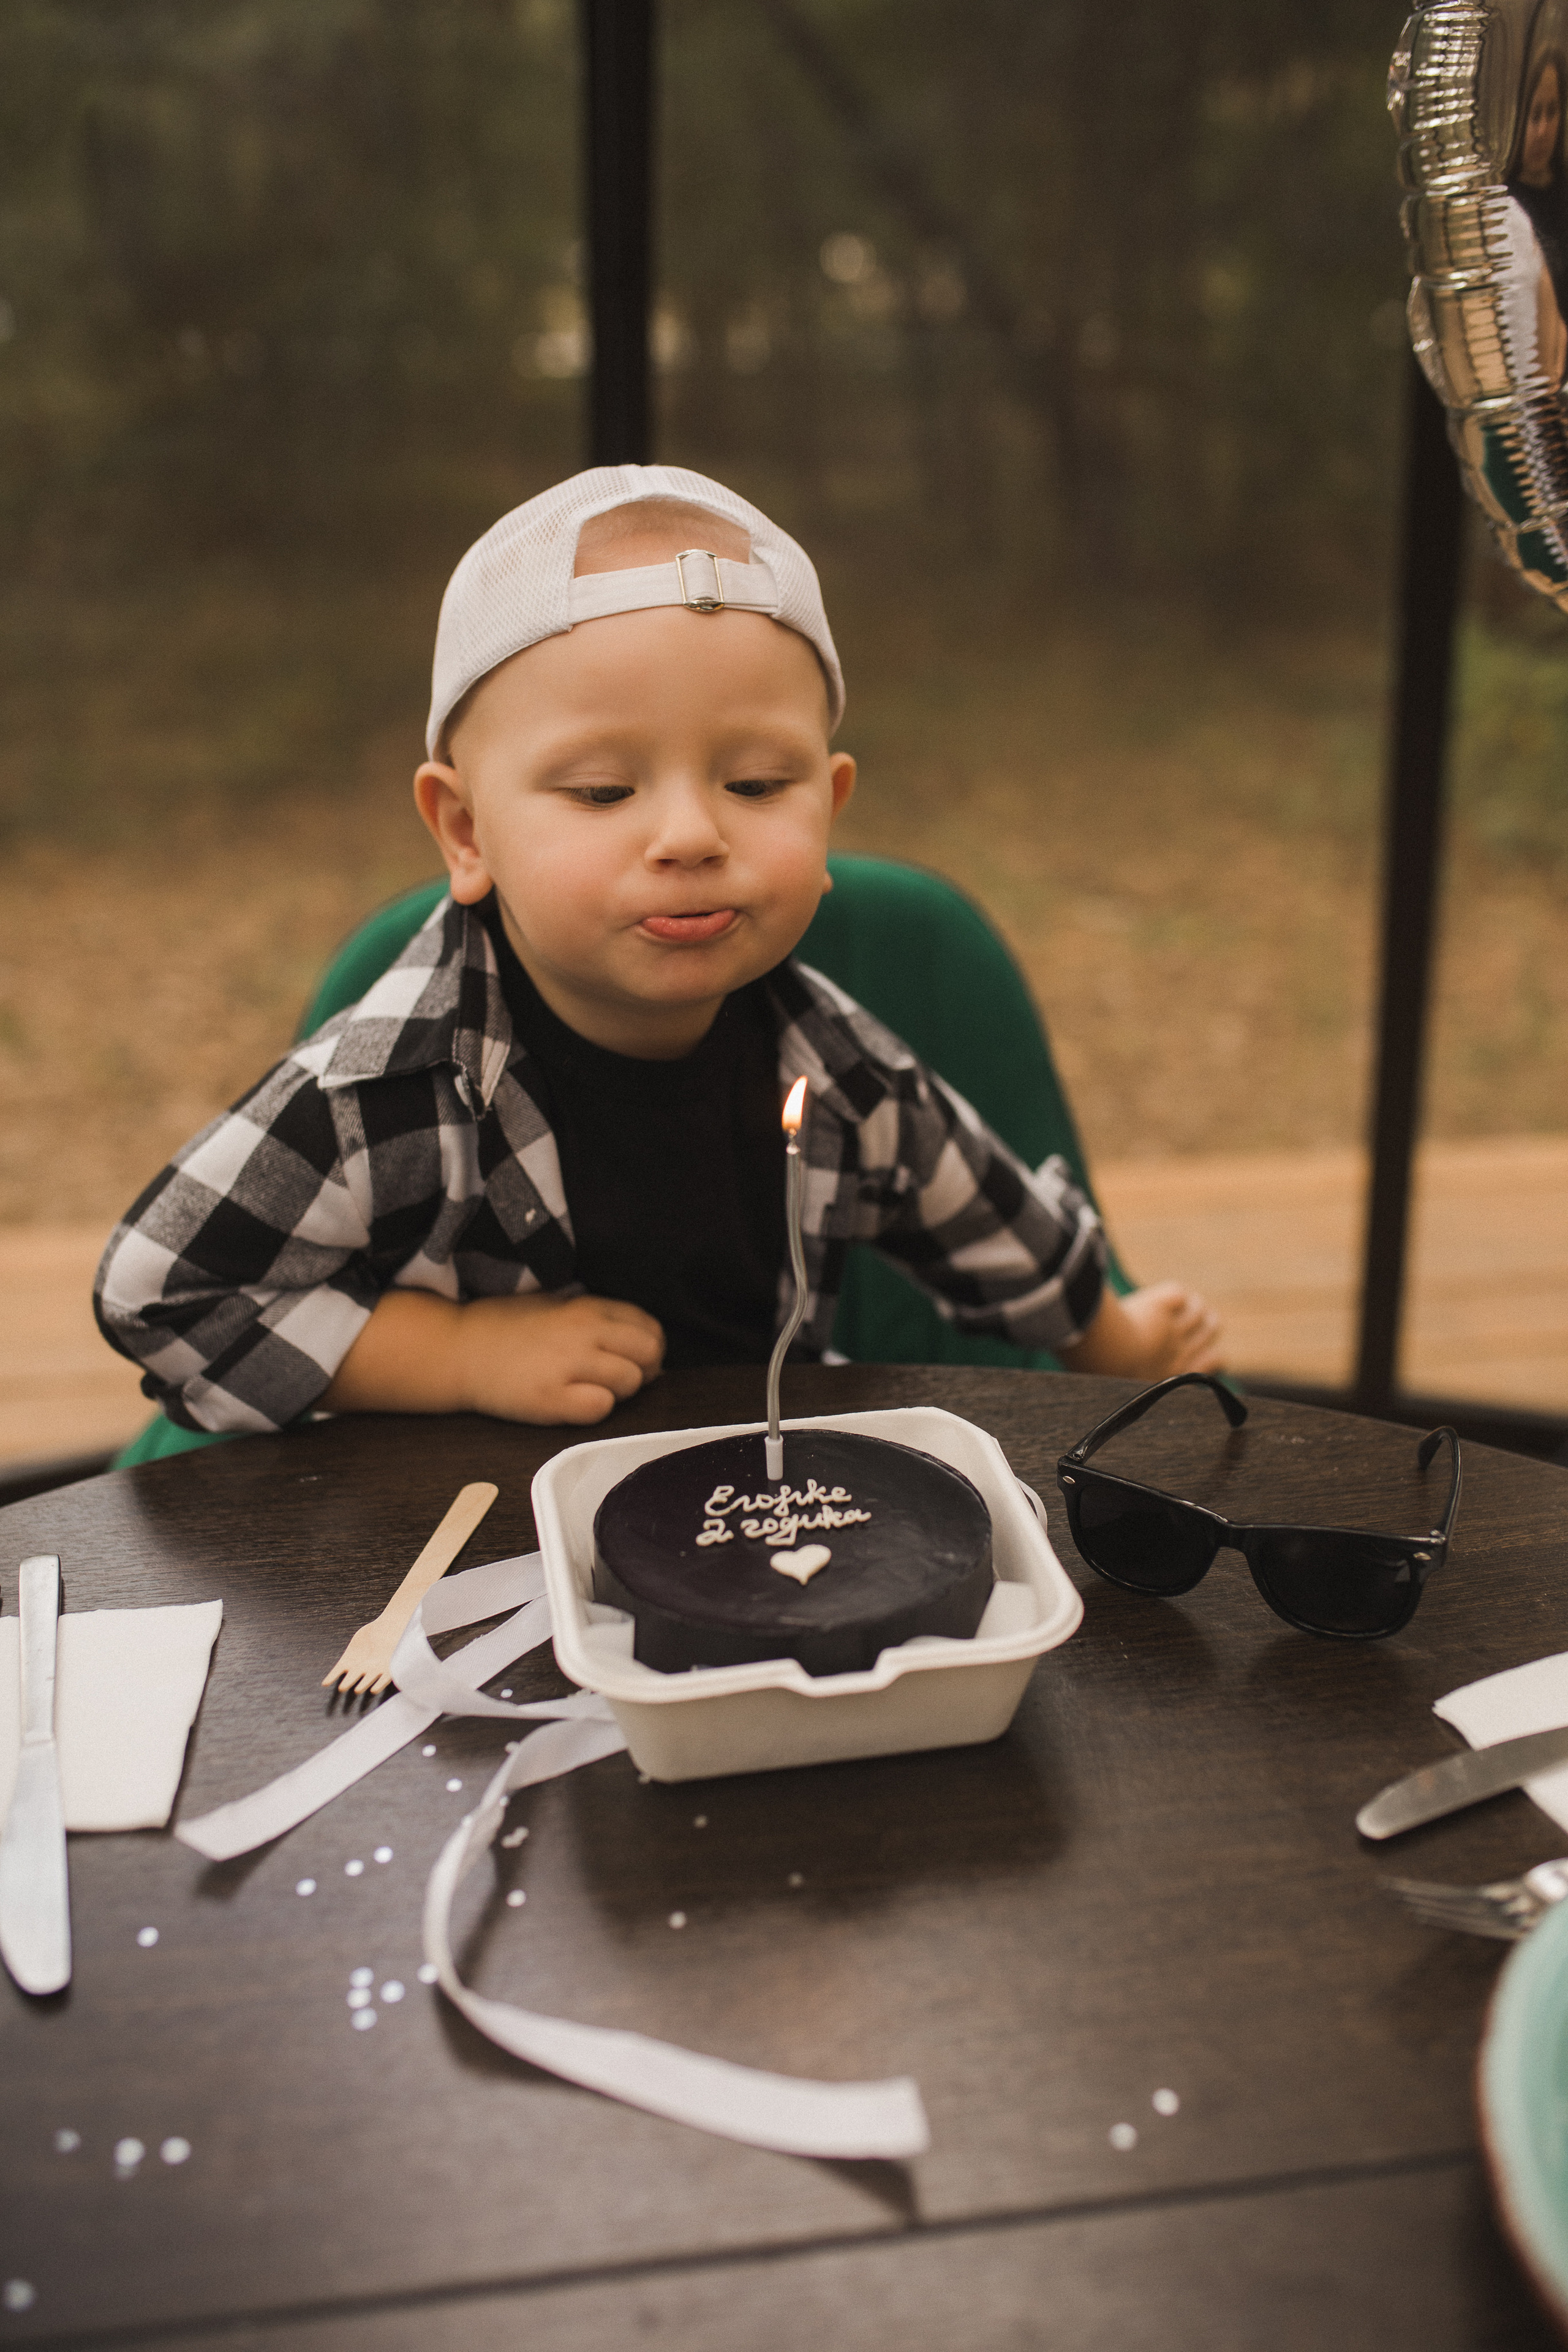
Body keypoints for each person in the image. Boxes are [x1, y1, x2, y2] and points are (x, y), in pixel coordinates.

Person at [94, 465, 1222, 1437]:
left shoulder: (836, 1068)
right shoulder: (387, 1089)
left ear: (829, 810)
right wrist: (462, 1358)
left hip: (763, 1509)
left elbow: (973, 1208)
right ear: (467, 831)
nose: (690, 834)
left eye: (755, 784)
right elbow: (163, 1289)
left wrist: (1114, 1337)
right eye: (603, 790)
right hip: (467, 1535)